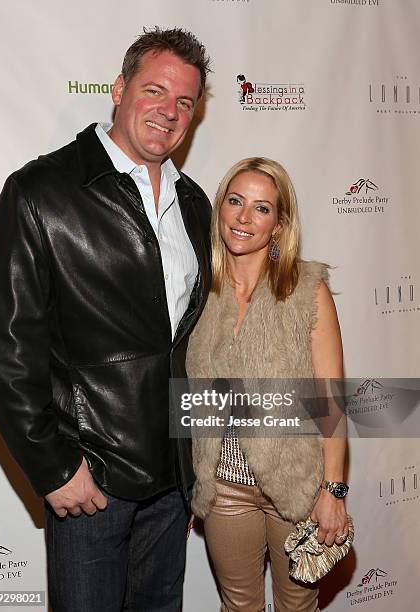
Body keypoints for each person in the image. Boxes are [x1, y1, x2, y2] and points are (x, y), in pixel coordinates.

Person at [0, 27, 212, 612]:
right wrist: (54, 467)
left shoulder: (195, 203)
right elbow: (2, 350)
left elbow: (187, 344)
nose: (169, 111)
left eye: (185, 101)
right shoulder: (41, 191)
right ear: (118, 89)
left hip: (171, 486)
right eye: (154, 90)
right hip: (91, 483)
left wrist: (190, 468)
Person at [186, 157, 349, 611]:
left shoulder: (305, 289)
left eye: (261, 208)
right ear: (220, 209)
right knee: (238, 606)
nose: (243, 217)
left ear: (279, 224)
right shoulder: (200, 291)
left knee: (297, 606)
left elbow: (330, 400)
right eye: (235, 202)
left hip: (296, 484)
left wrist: (333, 491)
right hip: (224, 488)